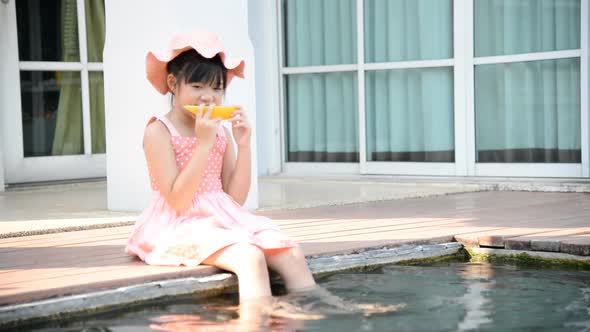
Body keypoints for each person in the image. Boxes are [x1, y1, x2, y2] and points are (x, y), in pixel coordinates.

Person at [125, 30, 317, 304]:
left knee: (290, 252)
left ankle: (318, 308)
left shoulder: (220, 133)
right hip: (177, 223)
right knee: (250, 257)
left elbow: (234, 198)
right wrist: (202, 146)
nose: (208, 97)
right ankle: (254, 321)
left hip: (222, 217)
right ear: (172, 83)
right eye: (197, 86)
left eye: (217, 89)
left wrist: (245, 145)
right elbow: (178, 200)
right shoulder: (159, 131)